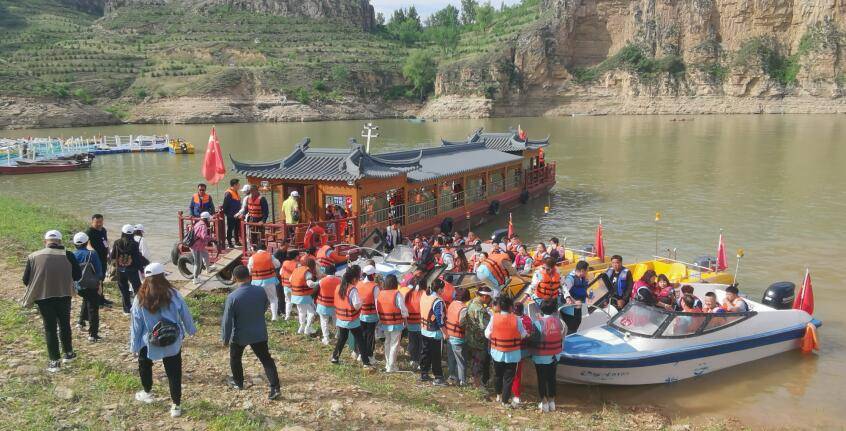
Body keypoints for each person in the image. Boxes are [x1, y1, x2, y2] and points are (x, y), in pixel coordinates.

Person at [130, 263, 197, 418]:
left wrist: (134, 346)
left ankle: (147, 392)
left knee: (144, 365)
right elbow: (185, 313)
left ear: (146, 278)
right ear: (163, 276)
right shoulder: (173, 293)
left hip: (149, 340)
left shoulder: (140, 297)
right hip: (172, 339)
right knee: (174, 372)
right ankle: (176, 406)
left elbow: (136, 324)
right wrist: (190, 329)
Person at [21, 230, 81, 372]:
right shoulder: (69, 254)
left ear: (45, 242)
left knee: (50, 328)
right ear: (60, 242)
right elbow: (77, 275)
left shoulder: (33, 256)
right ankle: (69, 353)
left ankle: (54, 361)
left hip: (43, 297)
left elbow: (25, 280)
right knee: (65, 324)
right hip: (64, 295)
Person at [221, 265, 281, 400]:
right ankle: (275, 387)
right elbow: (265, 306)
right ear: (249, 276)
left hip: (240, 334)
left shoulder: (232, 297)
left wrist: (225, 338)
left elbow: (227, 320)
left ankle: (238, 382)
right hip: (259, 331)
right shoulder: (260, 291)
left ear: (234, 278)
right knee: (266, 359)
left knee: (235, 358)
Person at [485, 295, 528, 406]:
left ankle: (498, 395)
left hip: (496, 352)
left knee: (498, 375)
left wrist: (497, 337)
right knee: (508, 378)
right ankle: (505, 401)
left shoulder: (494, 318)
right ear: (510, 307)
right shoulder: (517, 319)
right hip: (512, 354)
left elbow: (487, 334)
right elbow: (523, 334)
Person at [331, 266, 371, 367]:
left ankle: (335, 357)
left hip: (340, 318)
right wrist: (362, 301)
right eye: (358, 279)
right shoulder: (353, 290)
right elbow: (357, 306)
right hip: (351, 319)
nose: (358, 281)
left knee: (342, 338)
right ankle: (366, 362)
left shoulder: (338, 287)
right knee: (360, 340)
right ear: (354, 279)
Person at [532, 299, 565, 413]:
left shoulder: (537, 323)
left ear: (541, 310)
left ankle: (544, 402)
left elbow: (534, 339)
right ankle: (552, 402)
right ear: (555, 309)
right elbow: (562, 336)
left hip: (541, 356)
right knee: (551, 378)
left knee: (541, 379)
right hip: (555, 356)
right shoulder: (560, 322)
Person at [72, 232, 104, 342]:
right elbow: (99, 272)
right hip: (91, 285)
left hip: (78, 286)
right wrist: (99, 285)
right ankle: (93, 334)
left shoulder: (72, 255)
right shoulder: (92, 254)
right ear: (87, 243)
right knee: (93, 309)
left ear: (74, 244)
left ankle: (81, 322)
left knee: (86, 299)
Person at [111, 224, 149, 314]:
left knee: (124, 289)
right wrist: (142, 269)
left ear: (122, 233)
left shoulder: (117, 243)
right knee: (137, 289)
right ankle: (139, 308)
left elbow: (113, 256)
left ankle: (126, 309)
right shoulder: (135, 244)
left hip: (120, 270)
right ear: (132, 234)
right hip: (132, 270)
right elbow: (137, 259)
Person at [376, 274, 407, 372]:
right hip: (396, 323)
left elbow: (378, 309)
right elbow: (403, 309)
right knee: (394, 344)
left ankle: (388, 364)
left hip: (385, 322)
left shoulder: (380, 293)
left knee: (387, 343)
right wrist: (405, 318)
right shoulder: (397, 294)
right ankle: (391, 366)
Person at [419, 277, 447, 385]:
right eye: (442, 289)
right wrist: (445, 333)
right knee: (436, 355)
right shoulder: (438, 301)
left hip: (424, 329)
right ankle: (438, 377)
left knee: (425, 352)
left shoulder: (425, 296)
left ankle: (424, 373)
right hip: (435, 332)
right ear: (439, 289)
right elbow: (440, 319)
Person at [466, 286, 493, 387]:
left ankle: (473, 379)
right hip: (479, 340)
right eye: (489, 298)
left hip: (470, 337)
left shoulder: (472, 302)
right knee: (479, 361)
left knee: (474, 360)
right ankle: (477, 384)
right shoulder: (480, 309)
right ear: (485, 297)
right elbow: (483, 326)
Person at [84, 214, 113, 307]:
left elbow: (106, 242)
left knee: (102, 278)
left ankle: (101, 298)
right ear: (92, 222)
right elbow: (88, 245)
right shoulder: (89, 232)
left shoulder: (103, 230)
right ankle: (97, 300)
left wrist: (109, 253)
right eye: (97, 222)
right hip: (94, 260)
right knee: (96, 279)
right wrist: (93, 253)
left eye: (101, 222)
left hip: (103, 258)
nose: (99, 224)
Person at [247, 245, 281, 321]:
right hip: (269, 281)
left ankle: (257, 316)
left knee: (257, 300)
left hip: (256, 282)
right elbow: (278, 264)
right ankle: (274, 317)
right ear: (265, 249)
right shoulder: (270, 256)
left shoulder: (252, 258)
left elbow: (249, 271)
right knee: (273, 299)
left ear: (257, 250)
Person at [445, 287, 470, 386]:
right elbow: (462, 323)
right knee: (461, 361)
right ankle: (462, 381)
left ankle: (452, 376)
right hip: (458, 337)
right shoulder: (463, 308)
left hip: (449, 335)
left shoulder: (452, 303)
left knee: (451, 358)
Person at [510, 302, 533, 405]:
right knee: (517, 373)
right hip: (523, 351)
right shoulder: (528, 319)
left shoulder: (510, 319)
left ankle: (515, 394)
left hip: (510, 349)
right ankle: (516, 394)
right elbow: (530, 334)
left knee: (512, 373)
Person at [289, 257, 320, 335]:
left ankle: (301, 327)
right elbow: (310, 284)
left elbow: (290, 280)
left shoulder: (296, 270)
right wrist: (319, 282)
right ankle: (307, 328)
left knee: (301, 312)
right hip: (304, 296)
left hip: (295, 295)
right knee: (312, 312)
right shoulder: (307, 272)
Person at [357, 265, 380, 364]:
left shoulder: (358, 284)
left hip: (360, 314)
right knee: (370, 336)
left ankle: (360, 354)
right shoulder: (374, 287)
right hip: (371, 315)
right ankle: (369, 356)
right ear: (373, 274)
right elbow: (377, 303)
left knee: (362, 335)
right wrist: (380, 317)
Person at [403, 275, 425, 370]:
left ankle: (413, 360)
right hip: (421, 323)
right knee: (421, 344)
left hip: (410, 323)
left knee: (412, 342)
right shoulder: (424, 294)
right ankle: (420, 361)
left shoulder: (408, 294)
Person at [562, 260, 590, 332]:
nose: (587, 272)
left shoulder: (582, 278)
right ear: (582, 271)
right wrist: (574, 301)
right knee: (572, 327)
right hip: (570, 310)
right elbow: (564, 291)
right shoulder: (570, 279)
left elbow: (583, 288)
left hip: (578, 307)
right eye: (587, 270)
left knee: (577, 324)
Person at [189, 213, 215, 286]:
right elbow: (204, 236)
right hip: (196, 247)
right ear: (205, 219)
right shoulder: (203, 226)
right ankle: (195, 279)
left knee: (206, 254)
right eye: (209, 219)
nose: (209, 220)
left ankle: (208, 268)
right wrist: (213, 239)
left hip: (200, 245)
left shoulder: (199, 223)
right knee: (198, 263)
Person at [316, 271, 341, 345]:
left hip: (323, 304)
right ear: (334, 272)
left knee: (324, 322)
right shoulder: (339, 280)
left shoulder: (322, 281)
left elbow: (315, 287)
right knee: (336, 321)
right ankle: (338, 334)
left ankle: (326, 338)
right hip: (335, 304)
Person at [221, 179, 245, 248]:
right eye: (238, 184)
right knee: (230, 228)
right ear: (234, 185)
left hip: (237, 214)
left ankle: (237, 241)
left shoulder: (235, 192)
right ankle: (229, 242)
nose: (239, 186)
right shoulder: (228, 193)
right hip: (231, 214)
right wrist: (227, 213)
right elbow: (225, 204)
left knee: (237, 228)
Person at [279, 250, 299, 320]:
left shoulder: (285, 263)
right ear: (296, 257)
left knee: (288, 301)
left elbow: (281, 272)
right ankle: (300, 316)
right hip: (294, 286)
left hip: (285, 286)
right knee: (298, 302)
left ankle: (287, 316)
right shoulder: (297, 264)